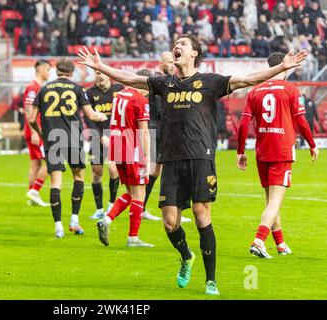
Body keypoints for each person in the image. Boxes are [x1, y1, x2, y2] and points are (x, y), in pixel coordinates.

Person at [77, 34, 307, 295]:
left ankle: (211, 280)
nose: (177, 46)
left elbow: (248, 79)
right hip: (172, 159)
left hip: (201, 157)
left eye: (183, 44)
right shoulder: (165, 83)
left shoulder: (210, 82)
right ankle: (186, 256)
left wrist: (281, 67)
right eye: (176, 43)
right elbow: (130, 79)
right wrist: (100, 67)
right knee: (169, 222)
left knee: (201, 214)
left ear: (195, 53)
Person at [237, 52, 319, 259]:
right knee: (275, 201)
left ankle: (280, 243)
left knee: (270, 200)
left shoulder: (254, 91)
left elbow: (244, 124)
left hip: (262, 150)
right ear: (286, 67)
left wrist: (240, 151)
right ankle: (258, 240)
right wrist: (312, 144)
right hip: (282, 149)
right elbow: (301, 121)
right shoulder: (290, 89)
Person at [29, 58, 107, 238]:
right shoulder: (78, 89)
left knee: (56, 181)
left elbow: (32, 118)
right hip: (72, 137)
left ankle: (58, 227)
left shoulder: (43, 89)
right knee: (78, 177)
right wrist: (102, 117)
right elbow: (91, 115)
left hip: (52, 139)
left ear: (57, 71)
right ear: (72, 72)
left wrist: (41, 133)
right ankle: (74, 220)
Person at [96, 69, 154, 248]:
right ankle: (133, 238)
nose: (148, 92)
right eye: (148, 88)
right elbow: (143, 131)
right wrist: (147, 156)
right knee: (139, 194)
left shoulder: (119, 95)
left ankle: (107, 218)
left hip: (117, 149)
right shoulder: (140, 99)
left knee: (130, 192)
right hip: (132, 150)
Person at [142, 51, 190, 222]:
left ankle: (174, 210)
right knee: (155, 170)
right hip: (158, 130)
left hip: (167, 131)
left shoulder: (173, 82)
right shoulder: (157, 83)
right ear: (160, 63)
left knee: (161, 170)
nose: (171, 64)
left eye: (173, 61)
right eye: (168, 62)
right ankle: (145, 207)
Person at [85, 71, 123, 220]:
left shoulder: (118, 90)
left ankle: (111, 204)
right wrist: (100, 136)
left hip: (115, 136)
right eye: (97, 73)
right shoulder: (89, 93)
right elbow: (88, 118)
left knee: (114, 170)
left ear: (108, 75)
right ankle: (99, 209)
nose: (100, 76)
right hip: (97, 138)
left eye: (102, 73)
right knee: (96, 173)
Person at [23, 60, 51, 207]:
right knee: (50, 161)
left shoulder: (37, 87)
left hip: (34, 130)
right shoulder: (33, 88)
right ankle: (35, 191)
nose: (49, 72)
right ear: (40, 69)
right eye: (48, 69)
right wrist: (34, 131)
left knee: (35, 164)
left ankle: (32, 196)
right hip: (36, 131)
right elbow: (28, 109)